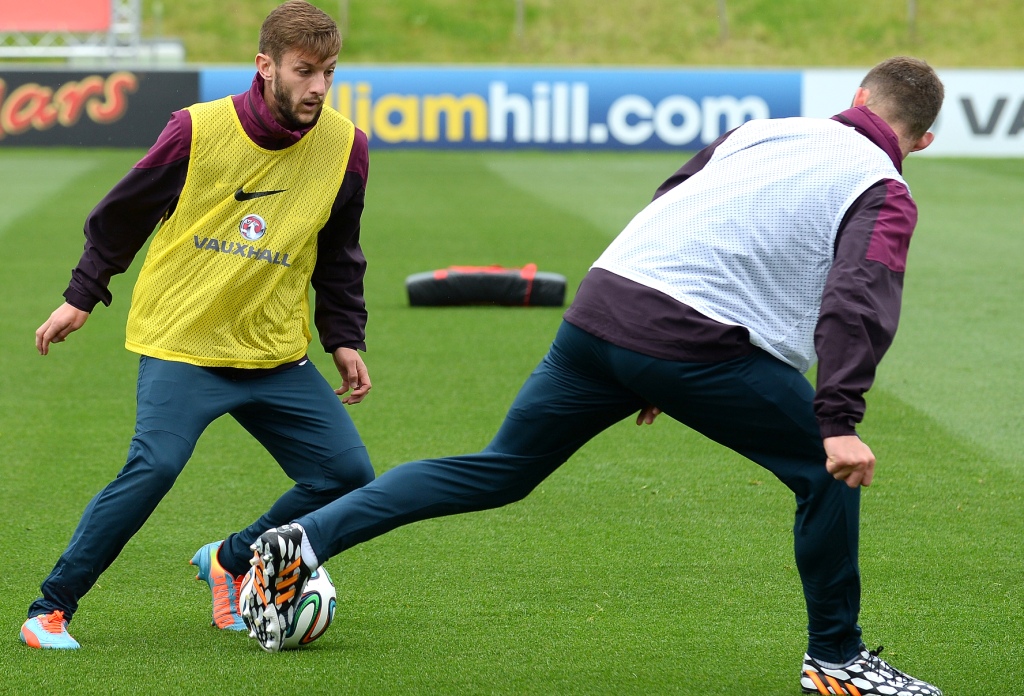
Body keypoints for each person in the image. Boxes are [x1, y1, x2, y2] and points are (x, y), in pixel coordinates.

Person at [243, 57, 944, 694]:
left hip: (604, 309)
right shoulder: (882, 186)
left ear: (856, 97)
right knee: (825, 470)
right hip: (692, 340)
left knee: (499, 468)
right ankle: (837, 662)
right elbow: (860, 296)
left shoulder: (762, 131)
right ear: (923, 140)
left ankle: (305, 538)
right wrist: (840, 421)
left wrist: (645, 362)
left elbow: (674, 196)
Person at [19, 0, 375, 650]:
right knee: (155, 465)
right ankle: (50, 609)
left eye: (329, 71)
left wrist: (344, 336)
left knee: (349, 475)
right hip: (182, 343)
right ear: (265, 66)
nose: (319, 87)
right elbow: (120, 216)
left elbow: (341, 252)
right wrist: (81, 296)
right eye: (305, 71)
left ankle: (232, 561)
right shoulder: (195, 130)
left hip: (273, 353)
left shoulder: (346, 147)